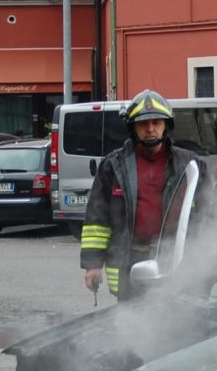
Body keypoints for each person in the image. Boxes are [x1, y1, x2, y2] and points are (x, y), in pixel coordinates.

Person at [81, 89, 198, 300]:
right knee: (131, 324)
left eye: (156, 122)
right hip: (129, 263)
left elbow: (207, 213)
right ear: (133, 128)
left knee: (177, 323)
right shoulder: (113, 166)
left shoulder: (189, 165)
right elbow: (97, 219)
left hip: (174, 260)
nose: (150, 129)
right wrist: (92, 265)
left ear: (166, 126)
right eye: (143, 124)